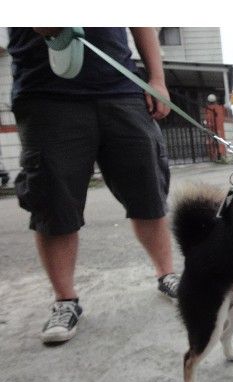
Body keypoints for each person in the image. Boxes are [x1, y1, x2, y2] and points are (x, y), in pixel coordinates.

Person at [8, 27, 180, 344]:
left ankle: (167, 274)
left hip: (122, 88)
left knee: (149, 192)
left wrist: (157, 80)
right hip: (46, 95)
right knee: (53, 203)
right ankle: (65, 300)